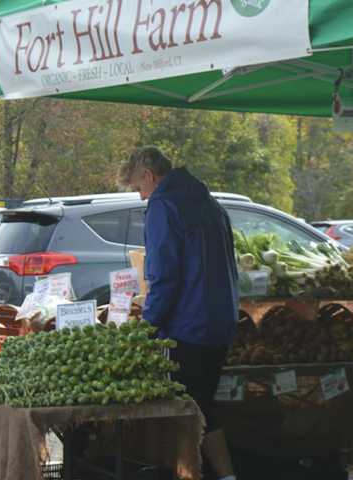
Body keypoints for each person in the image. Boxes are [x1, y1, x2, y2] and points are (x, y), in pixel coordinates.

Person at [118, 146, 239, 480]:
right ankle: (215, 474)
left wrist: (147, 326)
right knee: (201, 403)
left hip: (189, 324)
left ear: (150, 176)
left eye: (138, 188)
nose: (141, 197)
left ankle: (209, 474)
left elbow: (164, 276)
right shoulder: (207, 200)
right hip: (220, 320)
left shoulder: (164, 204)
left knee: (190, 409)